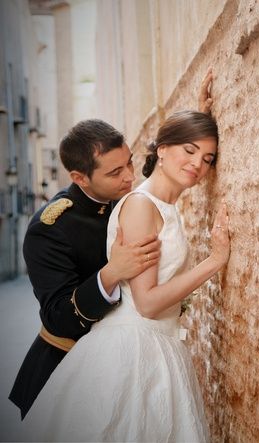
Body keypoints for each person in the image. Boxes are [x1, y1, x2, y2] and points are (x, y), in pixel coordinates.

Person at [10, 68, 216, 419]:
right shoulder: (51, 228)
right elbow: (59, 317)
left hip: (136, 352)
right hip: (70, 364)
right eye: (114, 173)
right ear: (80, 178)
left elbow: (166, 182)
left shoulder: (133, 198)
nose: (128, 177)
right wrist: (110, 275)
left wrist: (197, 130)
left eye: (129, 164)